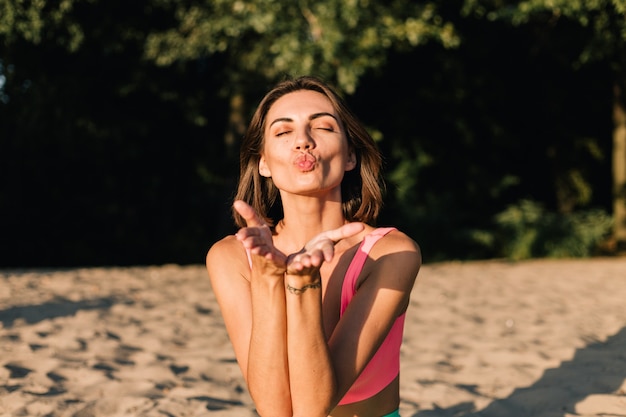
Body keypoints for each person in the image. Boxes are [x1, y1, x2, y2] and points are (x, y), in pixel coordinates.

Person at [206, 75, 421, 417]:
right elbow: (274, 410)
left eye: (322, 127)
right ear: (263, 162)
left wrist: (303, 282)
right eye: (283, 131)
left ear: (350, 155)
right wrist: (267, 275)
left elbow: (312, 408)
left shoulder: (391, 253)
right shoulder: (231, 257)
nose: (303, 141)